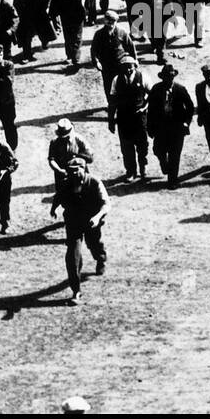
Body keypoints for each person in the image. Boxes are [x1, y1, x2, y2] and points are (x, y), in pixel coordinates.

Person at [58, 161, 109, 305]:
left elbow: (106, 204)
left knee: (94, 243)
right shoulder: (66, 183)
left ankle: (100, 259)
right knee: (72, 255)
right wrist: (54, 208)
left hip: (91, 221)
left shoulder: (94, 182)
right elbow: (59, 196)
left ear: (84, 169)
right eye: (71, 170)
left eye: (77, 169)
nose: (74, 173)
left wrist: (97, 217)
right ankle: (76, 290)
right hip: (73, 223)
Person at [146, 63, 195, 188]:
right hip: (161, 127)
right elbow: (151, 110)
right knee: (158, 149)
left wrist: (186, 122)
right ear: (162, 77)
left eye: (171, 76)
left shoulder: (180, 89)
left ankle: (172, 180)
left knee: (175, 154)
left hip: (177, 127)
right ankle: (163, 163)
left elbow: (190, 107)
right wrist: (150, 127)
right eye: (167, 77)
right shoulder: (156, 89)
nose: (169, 79)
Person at [107, 56, 149, 182]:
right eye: (125, 68)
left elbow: (152, 95)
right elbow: (112, 101)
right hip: (124, 119)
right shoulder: (116, 80)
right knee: (126, 147)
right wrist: (111, 120)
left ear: (135, 66)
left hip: (139, 118)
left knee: (142, 145)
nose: (128, 70)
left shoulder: (143, 77)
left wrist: (144, 108)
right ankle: (131, 171)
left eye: (130, 67)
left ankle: (143, 169)